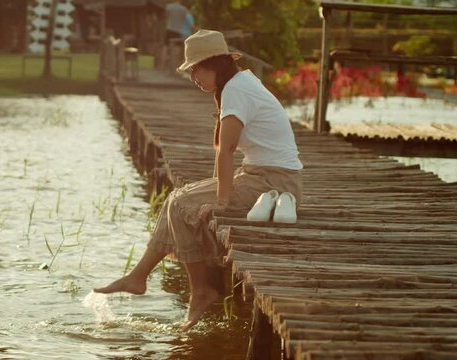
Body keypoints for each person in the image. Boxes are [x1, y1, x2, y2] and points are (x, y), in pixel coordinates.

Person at [94, 30, 304, 331]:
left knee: (181, 205)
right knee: (176, 198)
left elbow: (227, 151)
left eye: (196, 69)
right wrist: (214, 194)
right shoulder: (237, 84)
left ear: (215, 65)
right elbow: (224, 152)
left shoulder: (237, 90)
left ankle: (201, 291)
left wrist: (220, 202)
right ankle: (138, 276)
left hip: (275, 185)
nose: (194, 77)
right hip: (261, 175)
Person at [162, 0, 189, 69]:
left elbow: (166, 17)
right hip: (177, 31)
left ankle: (162, 66)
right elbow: (184, 20)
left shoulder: (169, 7)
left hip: (169, 29)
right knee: (177, 50)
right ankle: (174, 67)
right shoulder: (184, 9)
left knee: (165, 48)